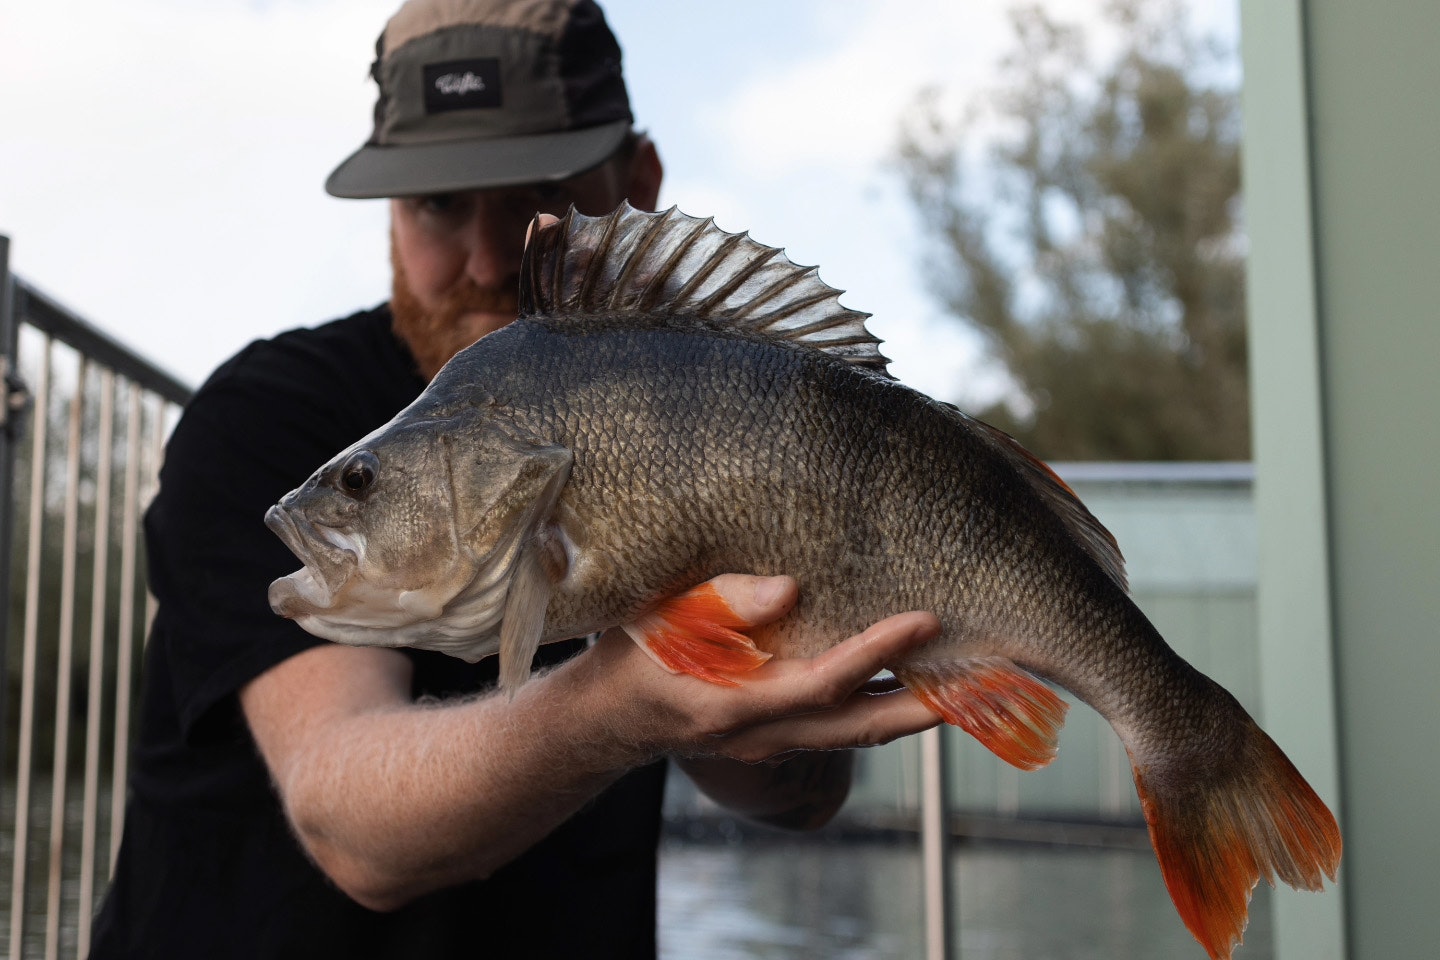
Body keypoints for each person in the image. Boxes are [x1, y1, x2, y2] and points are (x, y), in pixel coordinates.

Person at [90, 1, 942, 957]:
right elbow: (351, 821)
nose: (491, 259)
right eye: (438, 206)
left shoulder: (708, 400)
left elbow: (803, 802)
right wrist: (626, 706)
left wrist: (739, 692)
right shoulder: (267, 418)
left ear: (639, 186)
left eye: (537, 194)